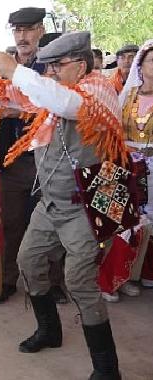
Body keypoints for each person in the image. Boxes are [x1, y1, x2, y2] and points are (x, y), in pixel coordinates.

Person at [0, 31, 127, 379]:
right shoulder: (53, 91)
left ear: (82, 65)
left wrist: (16, 69)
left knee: (80, 281)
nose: (50, 72)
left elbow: (63, 103)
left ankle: (107, 368)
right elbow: (11, 96)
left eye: (58, 65)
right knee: (28, 260)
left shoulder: (99, 88)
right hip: (52, 203)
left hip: (89, 206)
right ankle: (50, 330)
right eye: (49, 66)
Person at [0, 7, 65, 304]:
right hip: (12, 162)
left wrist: (17, 110)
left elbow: (56, 107)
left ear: (40, 30)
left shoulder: (51, 67)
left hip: (44, 161)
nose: (22, 37)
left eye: (28, 30)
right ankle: (9, 280)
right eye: (17, 31)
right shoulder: (1, 67)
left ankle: (52, 283)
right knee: (11, 224)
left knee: (50, 226)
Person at [102, 40, 153, 302]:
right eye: (151, 60)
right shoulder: (128, 95)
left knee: (148, 225)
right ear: (140, 66)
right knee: (125, 224)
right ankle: (112, 280)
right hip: (128, 165)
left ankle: (136, 276)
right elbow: (114, 129)